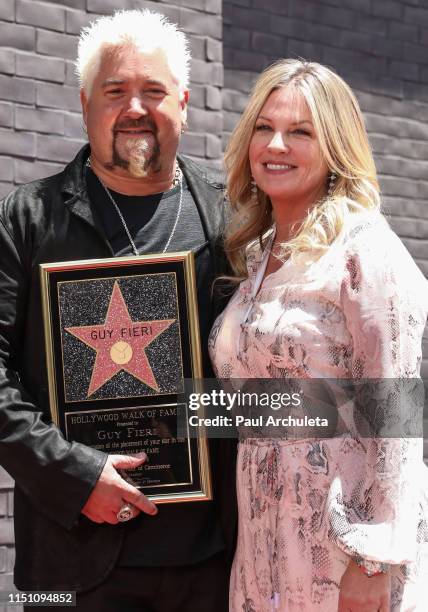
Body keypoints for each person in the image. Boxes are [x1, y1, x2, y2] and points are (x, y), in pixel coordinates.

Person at [0, 9, 236, 611]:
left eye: (154, 91)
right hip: (71, 563)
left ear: (183, 102)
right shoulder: (26, 220)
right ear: (85, 104)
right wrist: (73, 475)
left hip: (217, 561)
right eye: (116, 91)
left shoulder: (235, 220)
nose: (136, 107)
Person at [209, 59, 428, 611]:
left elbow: (397, 412)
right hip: (261, 551)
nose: (276, 144)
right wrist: (158, 419)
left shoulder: (364, 250)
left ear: (334, 146)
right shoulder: (256, 258)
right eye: (265, 127)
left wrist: (375, 557)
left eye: (300, 132)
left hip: (344, 557)